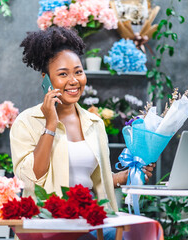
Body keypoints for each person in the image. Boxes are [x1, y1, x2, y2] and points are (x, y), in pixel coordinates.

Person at [10, 26, 155, 238]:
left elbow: (93, 181)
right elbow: (33, 176)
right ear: (46, 79)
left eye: (78, 71)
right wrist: (50, 124)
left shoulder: (94, 123)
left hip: (87, 215)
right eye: (62, 74)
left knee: (137, 233)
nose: (74, 81)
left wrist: (123, 176)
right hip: (46, 220)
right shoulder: (27, 122)